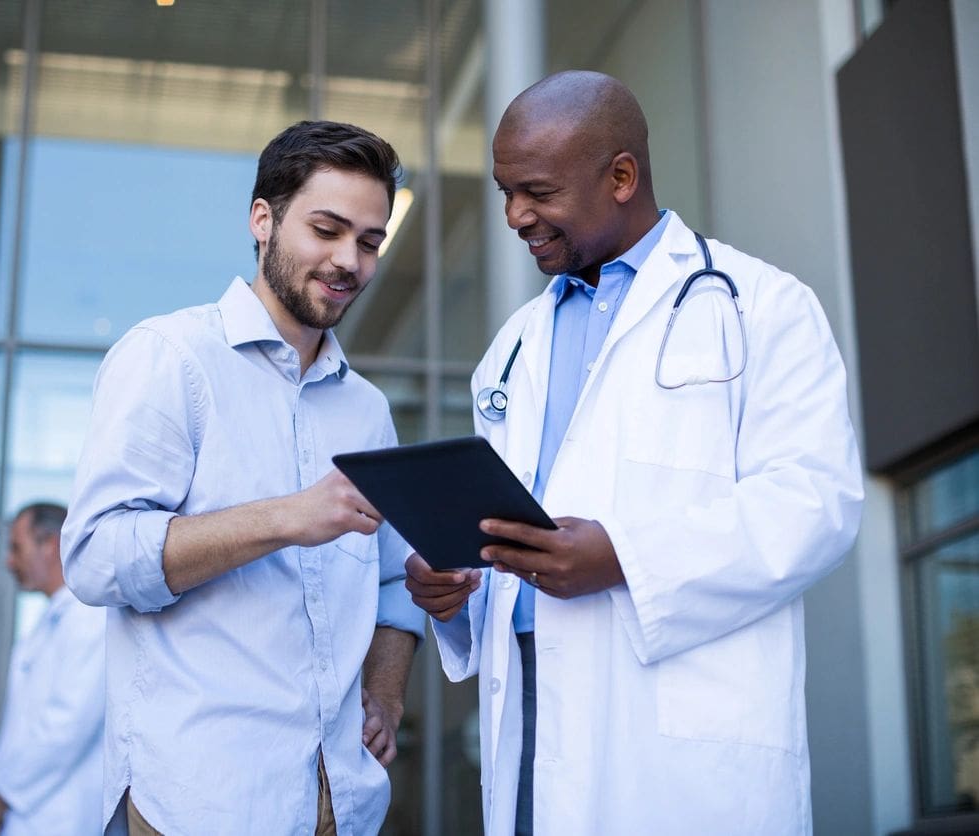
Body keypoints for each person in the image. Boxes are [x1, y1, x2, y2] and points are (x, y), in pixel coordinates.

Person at [405, 70, 864, 835]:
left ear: (621, 176)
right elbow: (504, 530)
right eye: (504, 191)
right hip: (530, 714)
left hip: (676, 731)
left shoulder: (762, 308)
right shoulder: (512, 348)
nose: (516, 215)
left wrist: (623, 557)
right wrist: (458, 586)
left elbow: (816, 505)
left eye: (537, 191)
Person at [62, 120, 426, 836]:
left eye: (370, 241)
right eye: (326, 229)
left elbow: (394, 583)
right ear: (263, 219)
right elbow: (96, 557)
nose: (348, 259)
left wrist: (386, 694)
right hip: (194, 804)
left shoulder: (367, 410)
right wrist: (284, 518)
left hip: (339, 806)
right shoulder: (171, 358)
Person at [0, 502, 106, 835]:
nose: (9, 561)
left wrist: (3, 795)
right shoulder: (48, 621)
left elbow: (68, 724)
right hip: (25, 812)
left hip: (59, 816)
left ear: (50, 545)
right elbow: (19, 723)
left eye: (16, 548)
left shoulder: (92, 617)